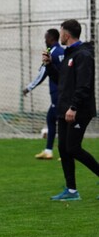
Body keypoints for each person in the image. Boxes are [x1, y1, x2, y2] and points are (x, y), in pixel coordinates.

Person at [42, 19, 99, 201]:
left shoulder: (83, 55)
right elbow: (61, 81)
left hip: (79, 110)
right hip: (64, 109)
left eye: (61, 32)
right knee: (63, 148)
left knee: (73, 148)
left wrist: (73, 107)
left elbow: (84, 85)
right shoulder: (69, 55)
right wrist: (50, 65)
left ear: (66, 34)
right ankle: (72, 191)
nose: (60, 35)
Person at [23, 29, 64, 160]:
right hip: (63, 92)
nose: (44, 40)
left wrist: (29, 88)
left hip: (58, 93)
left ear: (51, 38)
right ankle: (49, 150)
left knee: (59, 122)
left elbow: (43, 73)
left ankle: (65, 152)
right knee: (52, 119)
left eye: (45, 38)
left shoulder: (51, 52)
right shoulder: (62, 52)